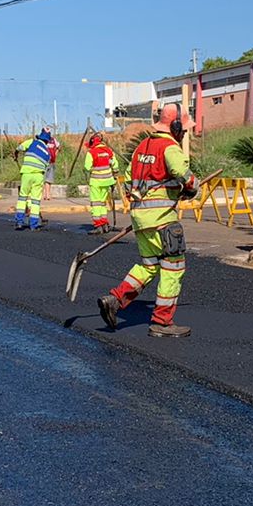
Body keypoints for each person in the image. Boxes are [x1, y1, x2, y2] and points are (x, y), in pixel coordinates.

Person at [99, 106, 196, 338]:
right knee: (173, 268)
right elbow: (183, 174)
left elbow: (130, 180)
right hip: (162, 220)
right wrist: (192, 188)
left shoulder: (142, 147)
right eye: (183, 129)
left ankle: (115, 300)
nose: (184, 133)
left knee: (149, 266)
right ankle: (162, 322)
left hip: (141, 219)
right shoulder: (170, 147)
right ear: (175, 127)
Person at [13, 127, 57, 230]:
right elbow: (46, 166)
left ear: (39, 136)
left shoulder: (31, 142)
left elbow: (19, 148)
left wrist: (15, 154)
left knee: (23, 197)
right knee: (36, 201)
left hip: (27, 174)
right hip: (39, 177)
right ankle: (34, 225)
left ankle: (19, 222)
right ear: (47, 141)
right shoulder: (47, 153)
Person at [83, 130, 122, 235]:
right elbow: (115, 165)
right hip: (107, 181)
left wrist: (93, 168)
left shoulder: (91, 152)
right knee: (102, 202)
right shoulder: (108, 151)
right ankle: (104, 224)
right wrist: (115, 176)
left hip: (96, 182)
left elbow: (87, 167)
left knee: (96, 203)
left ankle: (98, 225)